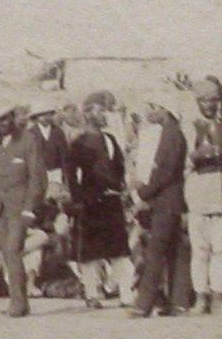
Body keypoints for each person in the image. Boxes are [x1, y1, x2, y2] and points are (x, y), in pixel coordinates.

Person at [65, 100, 135, 309]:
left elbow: (120, 167)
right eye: (99, 110)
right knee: (90, 253)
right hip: (90, 203)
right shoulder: (78, 143)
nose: (104, 115)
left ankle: (125, 294)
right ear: (88, 113)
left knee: (120, 250)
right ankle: (92, 294)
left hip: (112, 201)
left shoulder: (110, 140)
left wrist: (120, 187)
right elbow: (71, 175)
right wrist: (79, 200)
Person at [185, 77, 222, 313]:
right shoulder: (190, 127)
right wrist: (198, 155)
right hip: (198, 190)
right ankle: (202, 296)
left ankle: (220, 293)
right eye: (205, 100)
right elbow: (184, 162)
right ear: (197, 102)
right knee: (200, 249)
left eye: (214, 100)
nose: (210, 104)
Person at [129, 103, 191, 318]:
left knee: (155, 252)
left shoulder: (171, 135)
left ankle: (143, 304)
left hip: (166, 202)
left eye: (153, 108)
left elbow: (165, 172)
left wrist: (144, 192)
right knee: (176, 253)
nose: (148, 113)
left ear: (165, 110)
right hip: (171, 201)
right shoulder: (171, 133)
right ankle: (179, 302)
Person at [0, 104, 46, 317]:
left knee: (12, 250)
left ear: (12, 118)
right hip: (1, 210)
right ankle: (18, 301)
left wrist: (31, 207)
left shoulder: (29, 140)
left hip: (20, 209)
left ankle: (18, 304)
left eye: (4, 119)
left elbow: (37, 177)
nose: (1, 125)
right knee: (8, 254)